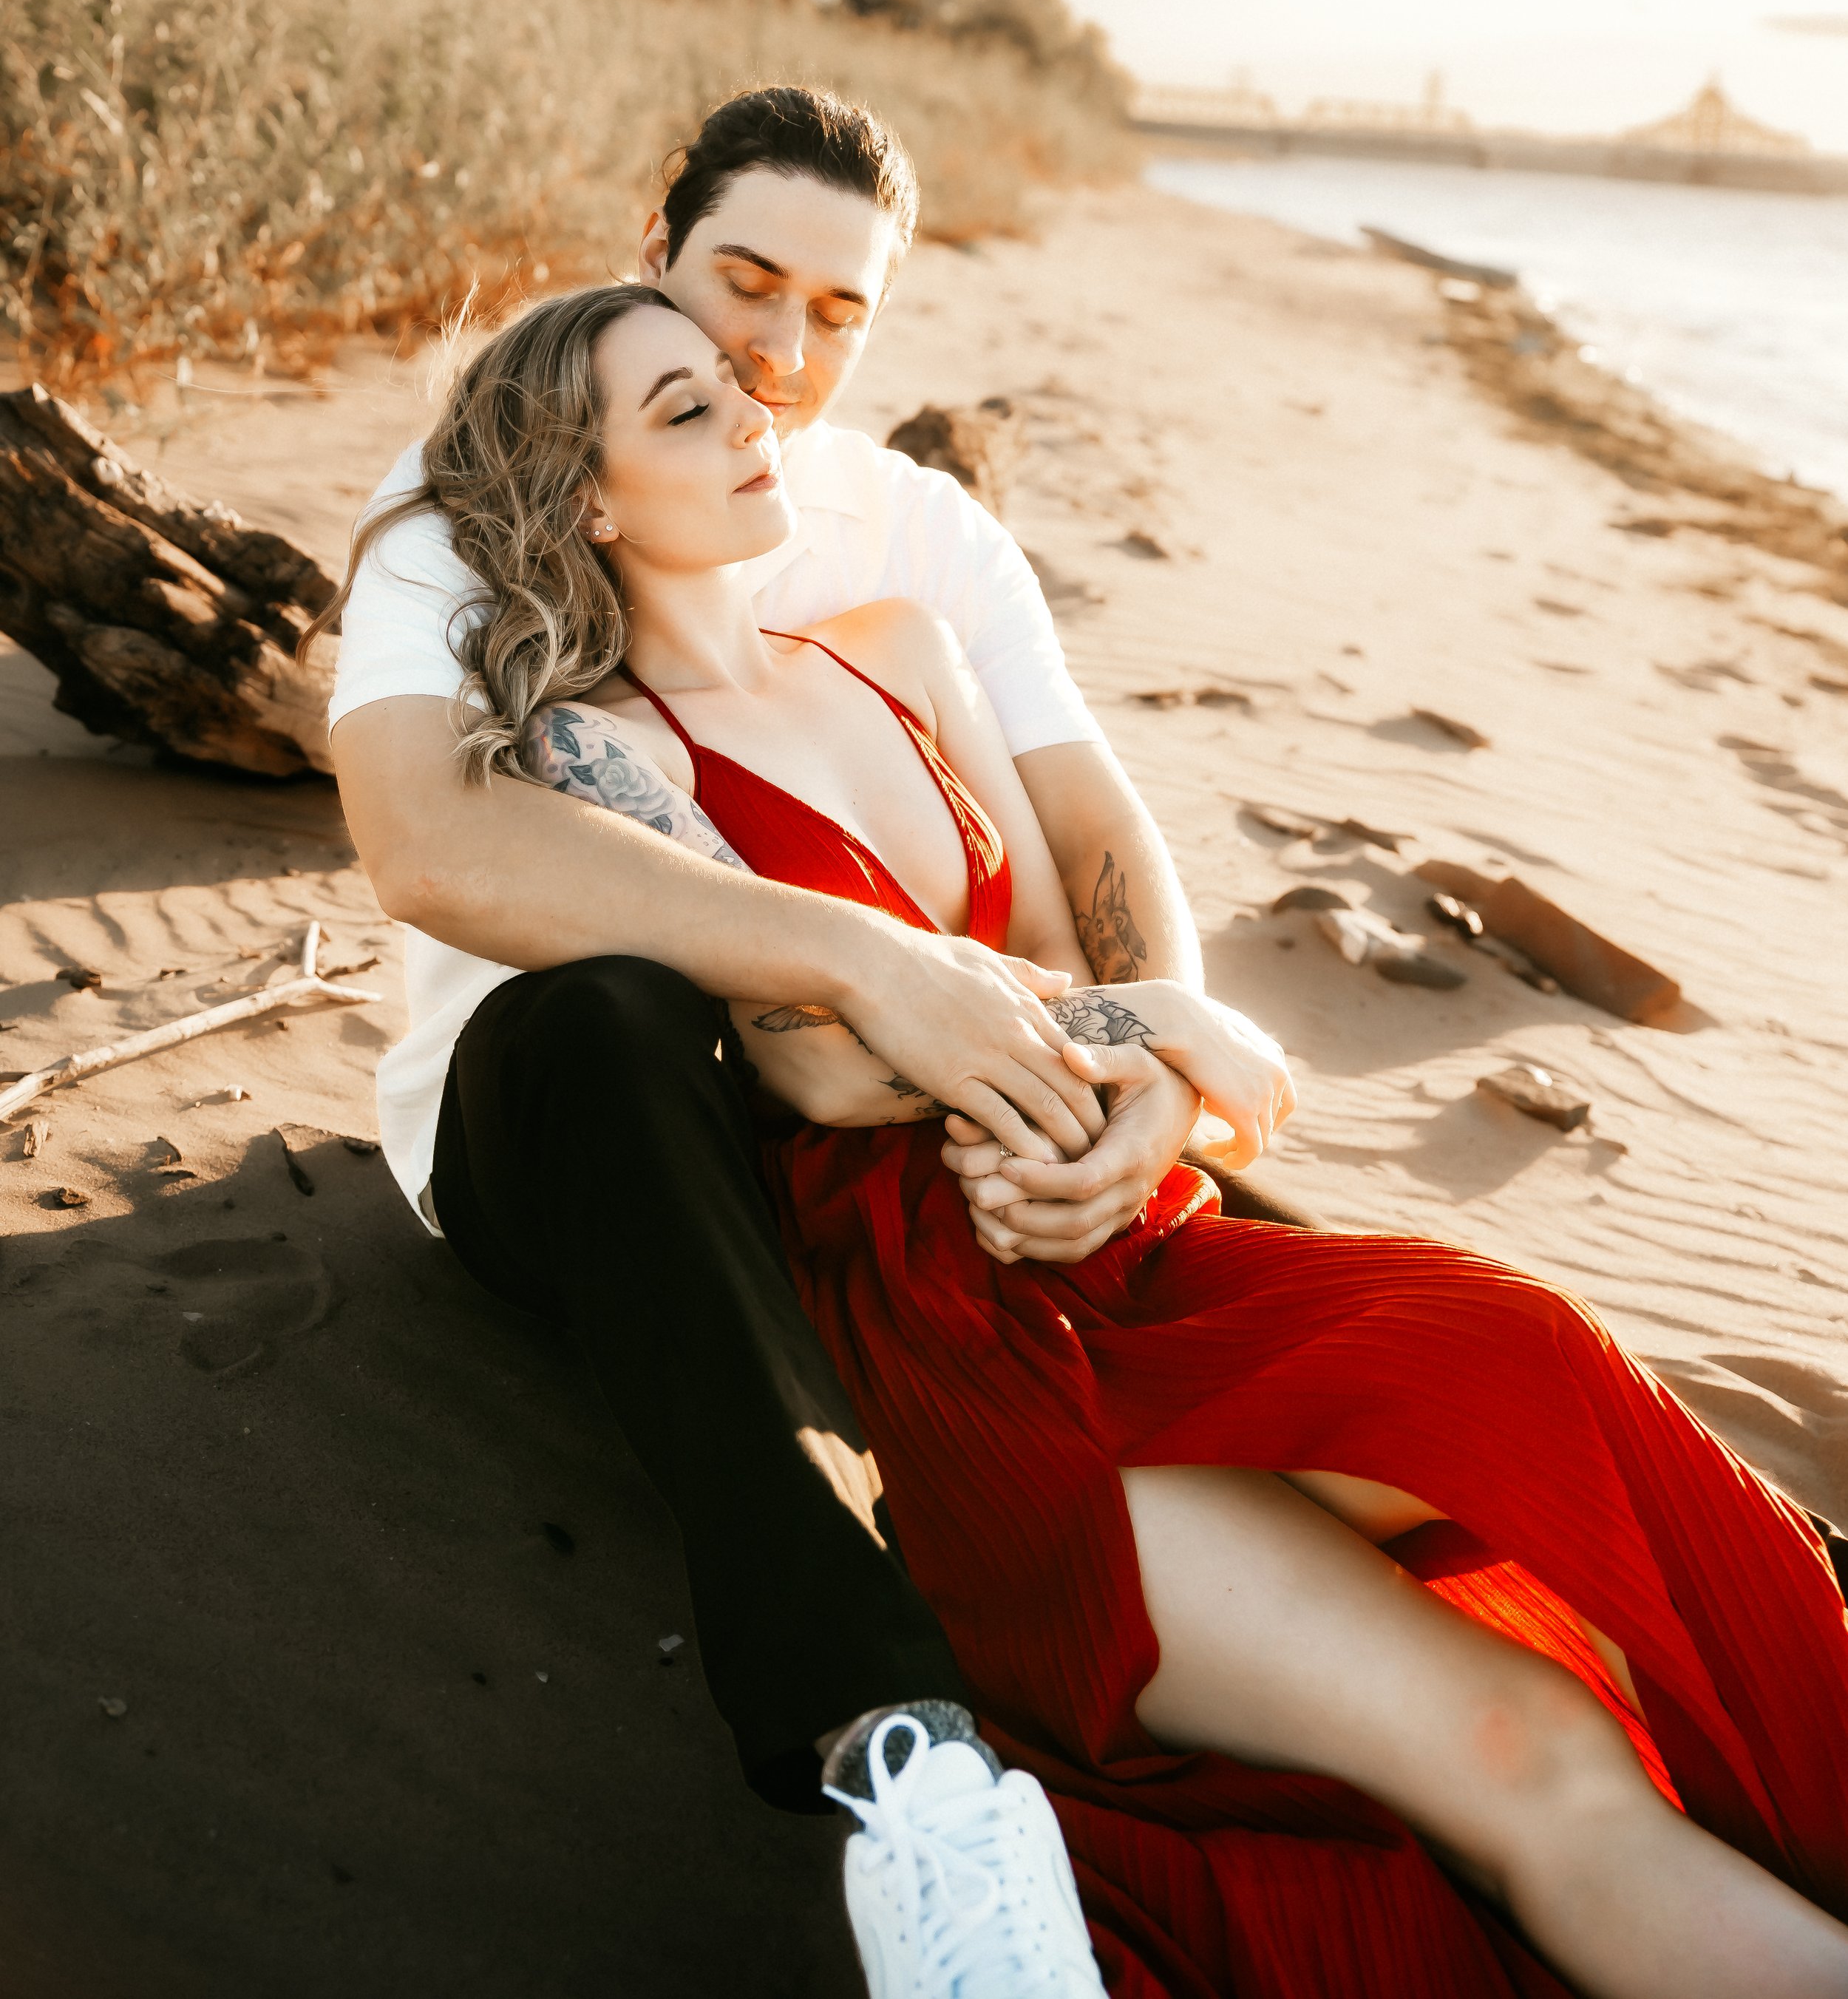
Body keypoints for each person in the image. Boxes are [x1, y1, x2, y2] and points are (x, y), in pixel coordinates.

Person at [346, 272, 1848, 1999]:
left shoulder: (901, 648)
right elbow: (815, 1064)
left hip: (1138, 1249)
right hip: (942, 1327)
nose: (752, 416)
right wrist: (1159, 1026)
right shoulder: (592, 753)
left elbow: (1058, 958)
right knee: (1514, 1742)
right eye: (681, 409)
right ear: (587, 496)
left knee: (1530, 1408)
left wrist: (1143, 1082)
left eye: (739, 390)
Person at [323, 86, 1301, 1994]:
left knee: (1381, 1348)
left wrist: (1153, 1079)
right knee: (609, 1013)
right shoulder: (483, 488)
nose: (779, 356)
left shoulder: (911, 529)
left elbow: (1093, 832)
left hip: (904, 1123)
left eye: (835, 313)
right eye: (742, 286)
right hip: (588, 1134)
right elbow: (424, 836)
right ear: (654, 250)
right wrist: (862, 958)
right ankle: (902, 1765)